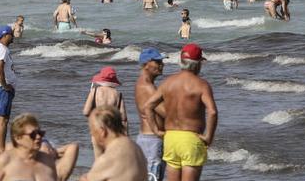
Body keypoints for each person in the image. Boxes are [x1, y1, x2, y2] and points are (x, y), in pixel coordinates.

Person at [143, 44, 218, 181]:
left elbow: (148, 106)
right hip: (190, 139)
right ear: (198, 64)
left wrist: (155, 130)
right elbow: (212, 112)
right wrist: (208, 137)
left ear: (181, 61)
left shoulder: (168, 82)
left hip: (171, 138)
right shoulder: (201, 84)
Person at [0, 114, 78, 181]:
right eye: (33, 135)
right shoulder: (5, 161)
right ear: (18, 138)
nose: (38, 137)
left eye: (40, 133)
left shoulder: (47, 160)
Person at [85, 105, 149, 181]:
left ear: (102, 131)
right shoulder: (136, 147)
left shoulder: (107, 159)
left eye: (92, 129)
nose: (91, 133)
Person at [134, 48, 166, 181]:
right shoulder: (148, 87)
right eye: (158, 62)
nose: (161, 65)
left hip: (148, 139)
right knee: (153, 177)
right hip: (152, 139)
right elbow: (166, 112)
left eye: (162, 61)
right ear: (146, 64)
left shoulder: (145, 84)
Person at [82, 67, 127, 157]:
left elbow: (86, 112)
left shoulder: (94, 92)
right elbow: (123, 118)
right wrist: (125, 137)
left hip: (98, 129)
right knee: (112, 160)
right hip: (112, 132)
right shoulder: (118, 94)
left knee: (98, 160)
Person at [0, 26, 17, 152]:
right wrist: (5, 85)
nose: (13, 36)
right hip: (1, 88)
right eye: (11, 34)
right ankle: (2, 149)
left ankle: (1, 148)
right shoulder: (1, 49)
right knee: (3, 119)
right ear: (5, 35)